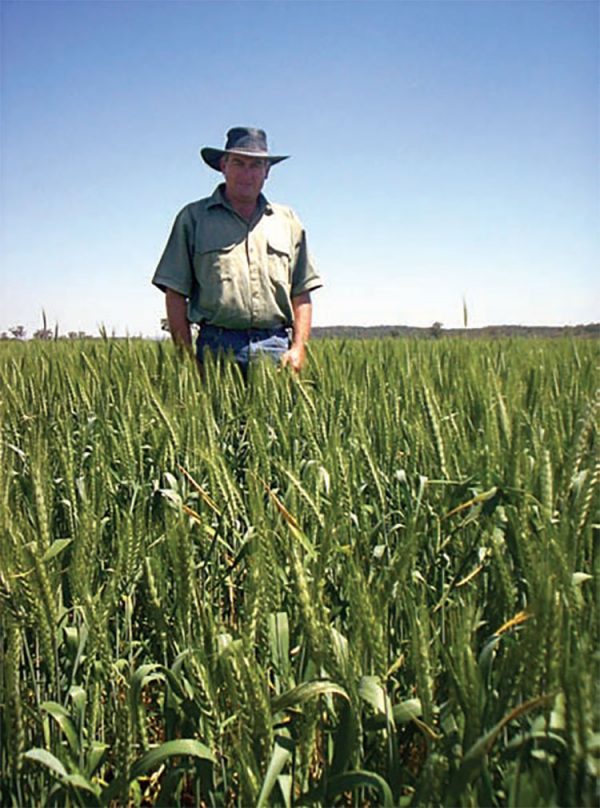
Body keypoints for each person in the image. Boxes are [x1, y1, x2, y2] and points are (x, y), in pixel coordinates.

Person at [152, 127, 322, 377]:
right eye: (238, 163)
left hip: (275, 350)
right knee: (215, 417)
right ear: (223, 166)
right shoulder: (194, 218)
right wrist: (186, 357)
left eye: (255, 165)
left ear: (267, 172)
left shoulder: (288, 221)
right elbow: (175, 293)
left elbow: (301, 293)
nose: (246, 173)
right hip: (215, 349)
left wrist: (298, 347)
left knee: (275, 418)